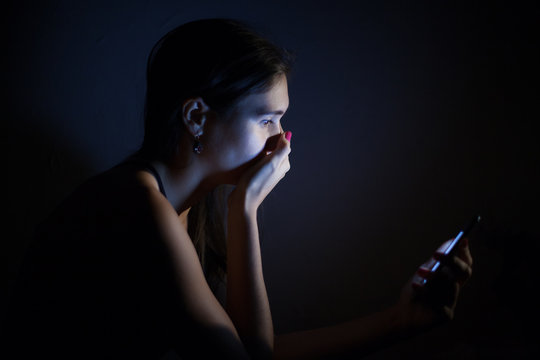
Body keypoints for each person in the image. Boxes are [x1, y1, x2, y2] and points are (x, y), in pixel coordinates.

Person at [4, 18, 473, 359]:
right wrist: (244, 208)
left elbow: (249, 349)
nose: (280, 138)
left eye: (282, 119)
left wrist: (399, 321)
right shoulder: (138, 209)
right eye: (266, 118)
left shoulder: (179, 203)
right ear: (196, 117)